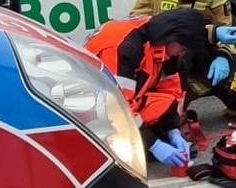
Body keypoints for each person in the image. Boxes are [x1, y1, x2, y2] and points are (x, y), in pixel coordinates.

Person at [85, 9, 218, 168]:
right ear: (173, 37)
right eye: (184, 47)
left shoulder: (160, 40)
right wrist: (154, 145)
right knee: (132, 150)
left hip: (121, 100)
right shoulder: (124, 49)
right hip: (93, 109)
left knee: (166, 103)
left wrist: (172, 129)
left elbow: (170, 90)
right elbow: (118, 107)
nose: (184, 52)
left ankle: (149, 140)